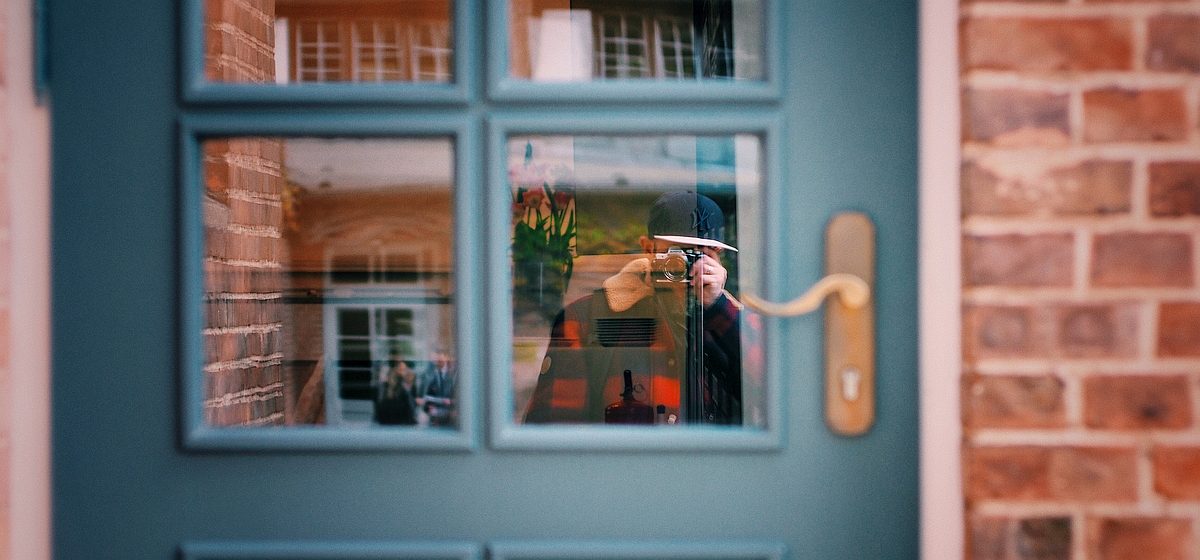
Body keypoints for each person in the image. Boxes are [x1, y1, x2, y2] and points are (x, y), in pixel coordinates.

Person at [523, 192, 743, 425]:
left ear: (718, 259)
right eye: (676, 253)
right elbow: (555, 429)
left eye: (700, 255)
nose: (687, 266)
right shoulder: (584, 320)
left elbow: (766, 392)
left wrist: (718, 307)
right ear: (648, 249)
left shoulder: (732, 321)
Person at [415, 348, 457, 427]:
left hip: (450, 415)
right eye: (436, 360)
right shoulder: (427, 375)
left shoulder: (452, 375)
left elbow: (456, 395)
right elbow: (422, 396)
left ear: (446, 358)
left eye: (440, 359)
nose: (437, 361)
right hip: (432, 415)